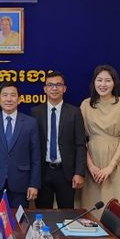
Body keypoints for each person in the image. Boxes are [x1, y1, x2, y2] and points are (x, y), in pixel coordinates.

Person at [80, 65, 120, 212]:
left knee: (117, 204)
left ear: (114, 83)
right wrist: (91, 166)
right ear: (94, 82)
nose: (103, 84)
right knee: (92, 205)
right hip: (92, 162)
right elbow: (80, 139)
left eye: (107, 80)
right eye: (99, 80)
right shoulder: (86, 105)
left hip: (117, 161)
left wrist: (111, 166)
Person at [0, 82, 40, 209]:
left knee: (18, 220)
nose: (9, 99)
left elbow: (36, 157)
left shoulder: (30, 123)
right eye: (5, 95)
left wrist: (34, 184)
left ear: (19, 99)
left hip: (21, 184)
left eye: (13, 95)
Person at [31, 71, 86, 209]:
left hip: (66, 173)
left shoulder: (74, 112)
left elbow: (80, 144)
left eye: (58, 85)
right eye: (50, 85)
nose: (54, 88)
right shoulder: (35, 112)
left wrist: (79, 172)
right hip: (43, 172)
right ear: (45, 89)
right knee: (43, 213)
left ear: (64, 88)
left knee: (67, 213)